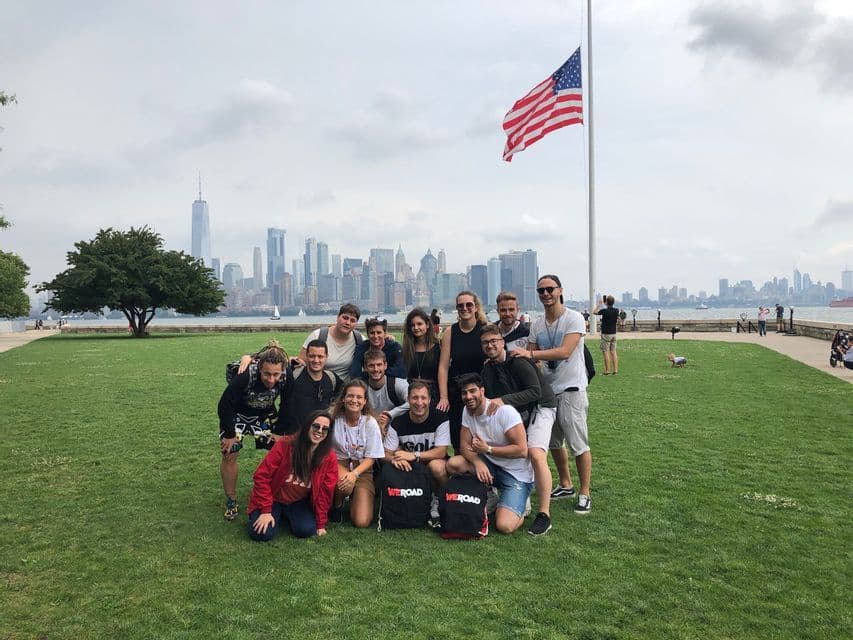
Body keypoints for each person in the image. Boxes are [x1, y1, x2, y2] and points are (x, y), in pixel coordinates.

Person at [513, 274, 593, 514]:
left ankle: (585, 493)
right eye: (541, 291)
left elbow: (566, 351)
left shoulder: (574, 318)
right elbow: (530, 354)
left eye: (550, 289)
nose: (545, 294)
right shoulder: (537, 324)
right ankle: (566, 484)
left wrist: (530, 355)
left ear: (560, 291)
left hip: (571, 391)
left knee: (578, 444)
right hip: (548, 394)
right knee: (555, 443)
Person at [480, 324, 557, 536]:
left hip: (542, 407)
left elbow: (535, 392)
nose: (490, 345)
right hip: (519, 412)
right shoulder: (488, 368)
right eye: (485, 343)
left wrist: (503, 401)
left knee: (535, 453)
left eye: (494, 341)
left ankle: (544, 513)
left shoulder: (519, 361)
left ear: (502, 342)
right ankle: (514, 495)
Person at [446, 373, 533, 534]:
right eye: (464, 393)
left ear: (482, 391)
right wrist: (478, 462)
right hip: (490, 466)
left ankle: (522, 505)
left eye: (473, 391)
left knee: (504, 526)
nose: (468, 396)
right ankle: (489, 494)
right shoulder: (467, 410)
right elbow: (464, 445)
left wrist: (488, 450)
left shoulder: (504, 412)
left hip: (516, 474)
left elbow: (522, 450)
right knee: (454, 464)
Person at [218, 343, 289, 521]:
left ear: (282, 370)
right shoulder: (246, 375)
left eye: (276, 374)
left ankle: (276, 493)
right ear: (259, 368)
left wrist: (279, 431)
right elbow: (224, 404)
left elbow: (288, 404)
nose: (271, 379)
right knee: (229, 453)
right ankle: (231, 500)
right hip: (238, 415)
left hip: (263, 415)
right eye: (266, 374)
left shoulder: (287, 376)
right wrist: (229, 435)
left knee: (281, 451)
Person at [247, 411, 338, 540]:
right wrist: (266, 510)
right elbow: (262, 476)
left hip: (298, 501)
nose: (319, 431)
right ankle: (271, 513)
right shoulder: (285, 444)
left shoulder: (329, 457)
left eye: (325, 429)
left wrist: (321, 523)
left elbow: (325, 490)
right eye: (316, 426)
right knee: (261, 534)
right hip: (273, 497)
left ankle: (283, 516)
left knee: (306, 530)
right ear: (307, 426)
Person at [384, 381, 451, 524]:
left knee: (436, 466)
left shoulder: (440, 418)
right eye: (414, 398)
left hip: (431, 466)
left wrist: (414, 455)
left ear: (430, 400)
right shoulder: (397, 422)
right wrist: (395, 459)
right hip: (411, 469)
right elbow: (386, 452)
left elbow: (441, 451)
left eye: (423, 398)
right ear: (408, 399)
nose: (419, 402)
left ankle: (442, 498)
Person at [437, 291, 488, 452]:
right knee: (458, 437)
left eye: (469, 305)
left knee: (483, 434)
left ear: (476, 307)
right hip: (457, 391)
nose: (464, 308)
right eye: (460, 306)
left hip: (482, 390)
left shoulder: (485, 330)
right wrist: (444, 397)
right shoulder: (450, 332)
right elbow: (443, 367)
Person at [329, 379, 384, 528]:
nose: (354, 400)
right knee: (344, 484)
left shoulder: (370, 423)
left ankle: (356, 496)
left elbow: (371, 457)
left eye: (359, 397)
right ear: (343, 398)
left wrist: (355, 474)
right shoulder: (334, 419)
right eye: (350, 396)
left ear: (365, 401)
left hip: (363, 469)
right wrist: (346, 474)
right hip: (339, 463)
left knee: (361, 522)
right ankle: (338, 504)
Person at [278, 340, 342, 434]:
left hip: (320, 436)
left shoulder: (332, 378)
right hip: (294, 436)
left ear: (326, 357)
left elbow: (347, 394)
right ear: (307, 356)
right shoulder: (293, 374)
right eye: (312, 356)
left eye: (320, 357)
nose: (316, 360)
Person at [299, 303, 364, 381]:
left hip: (345, 389)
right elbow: (302, 362)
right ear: (337, 317)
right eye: (345, 318)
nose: (348, 323)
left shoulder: (359, 340)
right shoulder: (318, 336)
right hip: (319, 386)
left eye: (352, 320)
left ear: (356, 324)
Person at [363, 349, 409, 436]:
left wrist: (390, 414)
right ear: (365, 367)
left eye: (379, 365)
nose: (376, 369)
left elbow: (412, 402)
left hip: (394, 430)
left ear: (385, 365)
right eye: (371, 365)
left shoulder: (397, 384)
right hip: (368, 430)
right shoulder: (361, 387)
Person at [402, 308, 441, 401]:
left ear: (427, 324)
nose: (416, 328)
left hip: (433, 395)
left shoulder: (439, 348)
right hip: (412, 395)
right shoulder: (406, 350)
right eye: (412, 325)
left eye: (419, 324)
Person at [349, 316, 405, 381]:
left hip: (390, 383)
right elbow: (355, 373)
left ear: (385, 333)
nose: (375, 336)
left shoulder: (395, 347)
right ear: (367, 334)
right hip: (369, 383)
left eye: (379, 332)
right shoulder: (362, 347)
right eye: (372, 333)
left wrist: (372, 372)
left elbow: (402, 371)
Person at [593, 295, 620, 375]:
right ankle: (615, 370)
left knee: (605, 352)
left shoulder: (604, 311)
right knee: (613, 352)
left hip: (606, 334)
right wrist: (606, 304)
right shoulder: (616, 310)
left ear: (606, 302)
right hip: (613, 333)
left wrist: (599, 305)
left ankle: (607, 370)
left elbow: (594, 312)